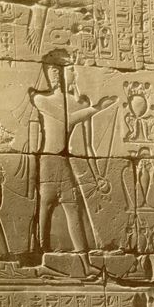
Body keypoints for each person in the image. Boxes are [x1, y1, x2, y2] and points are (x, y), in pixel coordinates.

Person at [28, 55, 116, 255]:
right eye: (51, 70)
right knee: (45, 205)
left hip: (61, 161)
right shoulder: (41, 99)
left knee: (72, 205)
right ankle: (42, 250)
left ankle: (82, 254)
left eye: (58, 70)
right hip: (49, 160)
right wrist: (95, 109)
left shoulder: (71, 102)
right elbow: (65, 119)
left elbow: (85, 141)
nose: (55, 74)